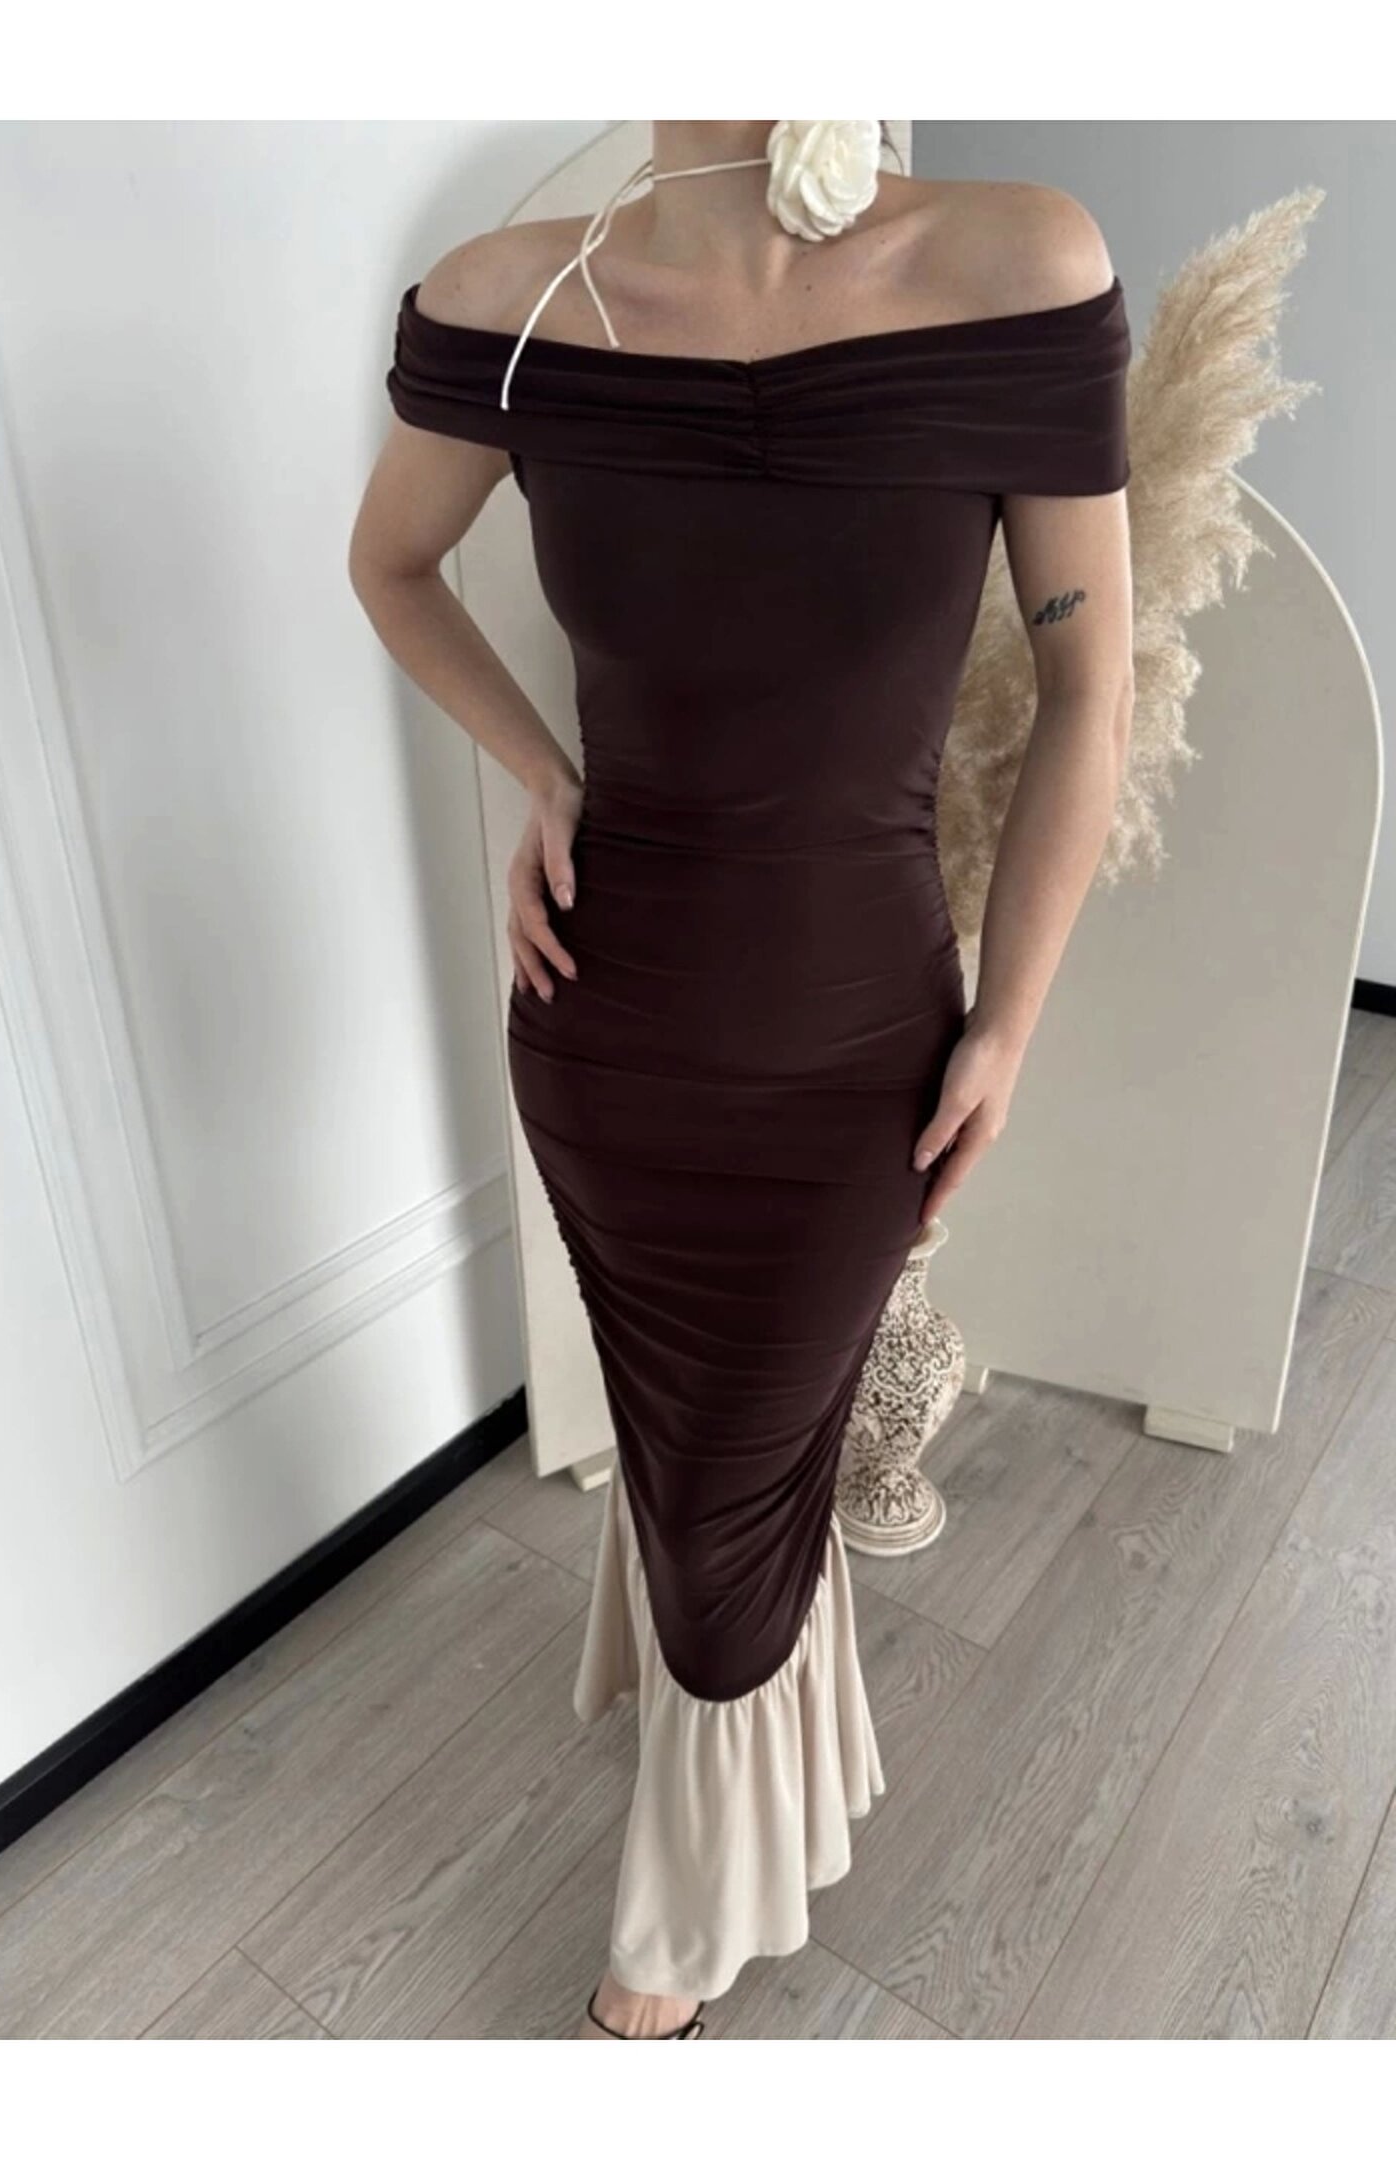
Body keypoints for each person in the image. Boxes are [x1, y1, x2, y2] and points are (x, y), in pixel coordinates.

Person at [348, 119, 1134, 2040]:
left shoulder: (1019, 266)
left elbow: (1089, 690)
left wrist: (1009, 1023)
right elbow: (392, 564)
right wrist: (542, 771)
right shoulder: (511, 295)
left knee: (730, 1483)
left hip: (854, 1050)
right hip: (604, 1032)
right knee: (701, 1457)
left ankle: (682, 1919)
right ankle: (722, 1861)